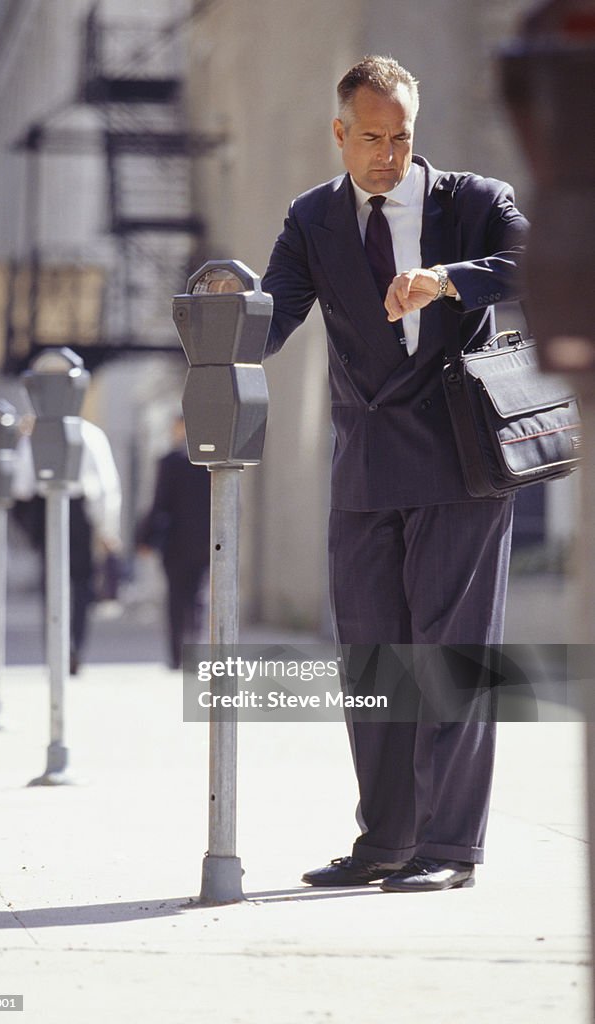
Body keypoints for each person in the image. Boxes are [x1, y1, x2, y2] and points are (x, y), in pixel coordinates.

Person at [261, 55, 529, 893]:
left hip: (460, 457)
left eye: (401, 136)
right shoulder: (312, 218)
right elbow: (272, 315)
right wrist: (214, 319)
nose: (387, 153)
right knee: (374, 662)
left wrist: (448, 280)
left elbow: (546, 265)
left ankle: (449, 849)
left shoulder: (474, 202)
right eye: (370, 137)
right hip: (366, 464)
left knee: (448, 655)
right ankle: (385, 843)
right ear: (339, 134)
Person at [13, 418, 122, 675]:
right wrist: (107, 528)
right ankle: (73, 646)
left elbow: (21, 484)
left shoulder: (39, 433)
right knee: (81, 584)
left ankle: (56, 649)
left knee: (53, 583)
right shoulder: (89, 432)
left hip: (50, 507)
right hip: (78, 512)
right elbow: (106, 485)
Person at [136, 417, 210, 670]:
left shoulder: (171, 461)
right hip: (205, 541)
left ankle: (177, 653)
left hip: (176, 543)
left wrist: (144, 538)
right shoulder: (214, 463)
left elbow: (159, 502)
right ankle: (194, 648)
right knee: (198, 597)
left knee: (176, 598)